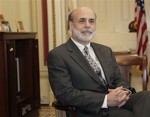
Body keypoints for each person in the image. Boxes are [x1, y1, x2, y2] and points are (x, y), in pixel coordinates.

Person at [47, 7, 150, 117]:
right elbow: (65, 94)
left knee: (146, 96)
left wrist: (124, 92)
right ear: (71, 25)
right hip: (91, 108)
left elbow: (118, 79)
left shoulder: (105, 50)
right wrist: (106, 99)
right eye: (82, 21)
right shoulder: (58, 55)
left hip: (116, 101)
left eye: (91, 21)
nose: (87, 25)